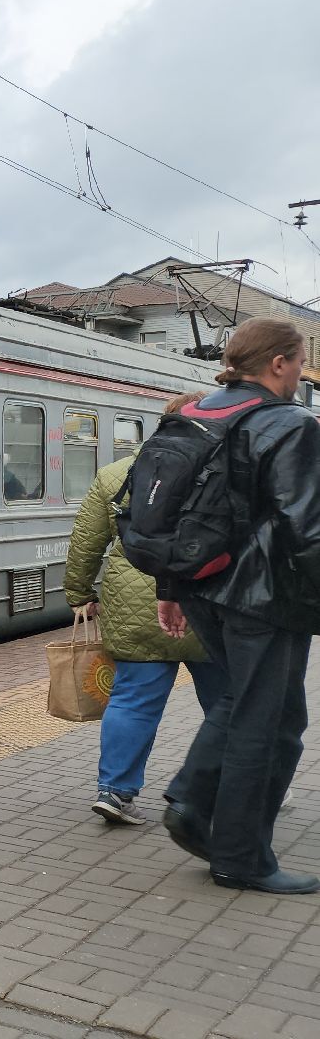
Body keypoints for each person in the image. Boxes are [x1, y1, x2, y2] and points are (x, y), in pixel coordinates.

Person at [157, 318, 320, 895]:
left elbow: (170, 513)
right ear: (278, 363)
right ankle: (240, 857)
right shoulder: (288, 423)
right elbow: (307, 526)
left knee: (242, 702)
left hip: (204, 588)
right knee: (270, 721)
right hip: (264, 597)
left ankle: (192, 803)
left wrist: (171, 589)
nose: (303, 374)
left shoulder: (198, 413)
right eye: (301, 362)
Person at [64, 392, 225, 827]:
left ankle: (115, 792)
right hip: (206, 603)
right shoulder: (222, 471)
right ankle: (236, 787)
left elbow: (87, 542)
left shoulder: (117, 473)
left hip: (135, 603)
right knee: (227, 703)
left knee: (133, 700)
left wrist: (79, 594)